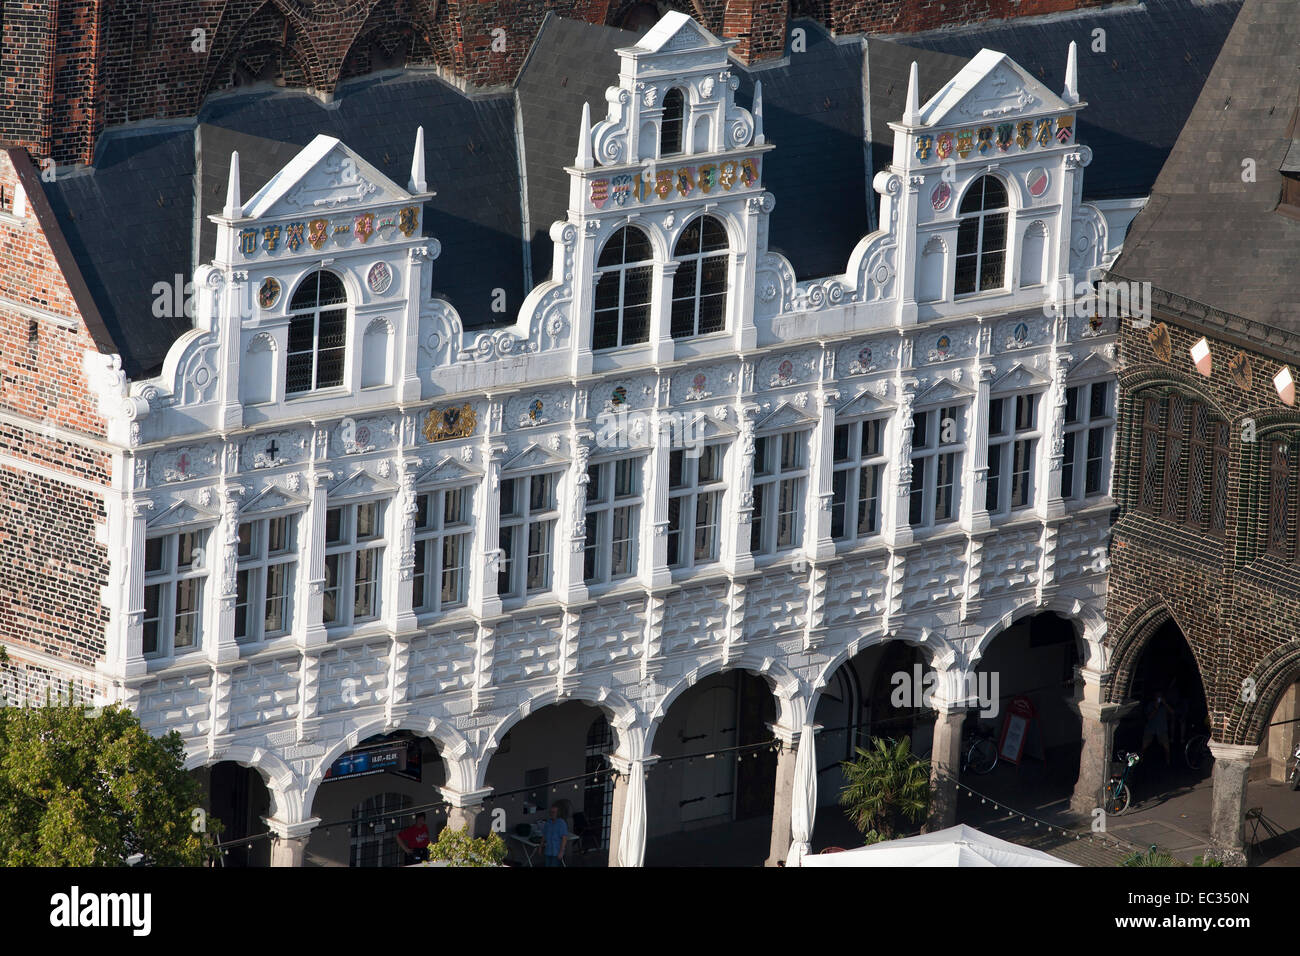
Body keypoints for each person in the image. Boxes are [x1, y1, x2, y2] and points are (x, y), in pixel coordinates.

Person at [1142, 694, 1174, 767]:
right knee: (1144, 746)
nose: (1159, 698)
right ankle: (1141, 760)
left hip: (1162, 729)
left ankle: (1168, 762)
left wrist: (1165, 703)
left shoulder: (1165, 705)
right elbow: (1149, 717)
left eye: (1160, 696)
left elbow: (1172, 712)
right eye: (1158, 696)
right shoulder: (1150, 705)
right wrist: (1156, 707)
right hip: (1151, 728)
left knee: (1166, 747)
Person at [541, 803, 568, 867]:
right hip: (548, 850)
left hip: (556, 851)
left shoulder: (561, 823)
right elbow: (544, 835)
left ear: (558, 813)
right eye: (550, 812)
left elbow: (564, 838)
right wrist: (540, 846)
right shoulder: (548, 822)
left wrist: (561, 852)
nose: (551, 814)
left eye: (553, 812)